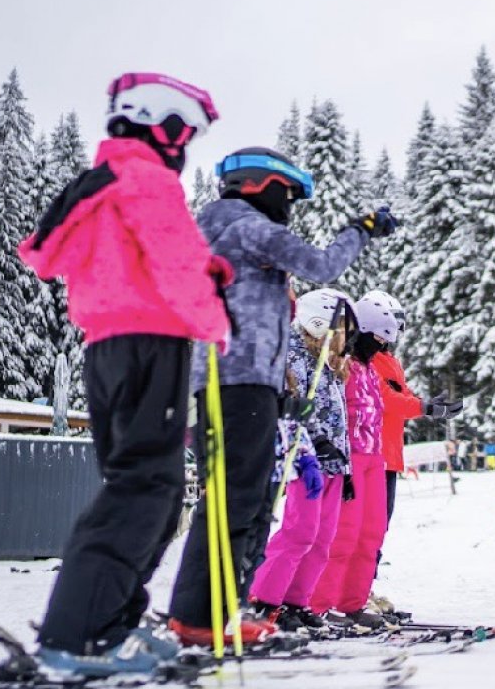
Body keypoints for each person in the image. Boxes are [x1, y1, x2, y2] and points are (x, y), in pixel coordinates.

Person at [20, 73, 227, 676]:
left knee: (150, 493)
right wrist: (213, 315)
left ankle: (109, 625)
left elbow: (61, 253)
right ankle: (79, 633)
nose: (185, 145)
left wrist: (203, 268)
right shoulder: (146, 179)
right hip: (150, 346)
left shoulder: (104, 182)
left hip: (110, 348)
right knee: (146, 490)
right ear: (159, 123)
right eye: (184, 131)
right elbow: (174, 260)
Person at [165, 145, 395, 646]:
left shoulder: (216, 231)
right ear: (260, 185)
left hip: (226, 379)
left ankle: (216, 614)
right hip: (242, 379)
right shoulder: (248, 227)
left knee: (240, 503)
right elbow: (323, 264)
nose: (288, 206)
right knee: (239, 503)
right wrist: (363, 229)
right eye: (287, 194)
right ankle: (199, 619)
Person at [245, 289, 352, 633]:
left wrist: (344, 465)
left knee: (322, 538)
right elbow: (297, 404)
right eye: (340, 329)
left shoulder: (328, 360)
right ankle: (264, 600)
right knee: (300, 532)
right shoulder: (295, 354)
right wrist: (318, 440)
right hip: (304, 456)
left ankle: (295, 601)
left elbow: (339, 414)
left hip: (333, 461)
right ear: (318, 323)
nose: (343, 338)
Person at [310, 299, 401, 630]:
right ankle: (320, 603)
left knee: (371, 533)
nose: (380, 345)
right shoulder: (342, 366)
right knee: (344, 534)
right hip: (349, 457)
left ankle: (352, 602)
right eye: (376, 338)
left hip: (374, 457)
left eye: (384, 340)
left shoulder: (373, 369)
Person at [364, 290, 463, 566]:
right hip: (372, 454)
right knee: (368, 527)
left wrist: (427, 405)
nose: (388, 338)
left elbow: (402, 395)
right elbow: (385, 400)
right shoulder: (365, 360)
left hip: (391, 456)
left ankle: (364, 586)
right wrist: (425, 408)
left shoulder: (390, 361)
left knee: (380, 525)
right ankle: (353, 589)